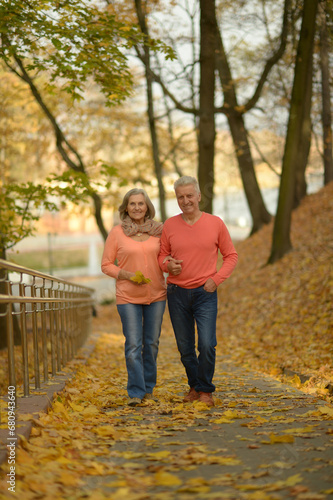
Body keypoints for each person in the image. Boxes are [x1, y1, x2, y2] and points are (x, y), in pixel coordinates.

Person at [158, 176, 238, 407]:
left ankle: (205, 390)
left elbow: (231, 256)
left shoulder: (215, 223)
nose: (185, 201)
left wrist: (217, 279)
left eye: (189, 196)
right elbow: (162, 256)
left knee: (206, 343)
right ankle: (194, 386)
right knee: (185, 347)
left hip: (205, 292)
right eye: (180, 197)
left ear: (199, 196)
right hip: (176, 293)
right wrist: (167, 265)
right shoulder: (170, 225)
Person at [101, 188, 166, 407]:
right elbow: (106, 265)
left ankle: (148, 390)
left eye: (141, 203)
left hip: (156, 295)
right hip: (128, 296)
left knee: (152, 343)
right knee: (133, 346)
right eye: (132, 204)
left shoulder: (159, 231)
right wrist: (127, 275)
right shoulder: (117, 233)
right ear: (126, 208)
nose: (137, 207)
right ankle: (136, 393)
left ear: (147, 206)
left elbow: (167, 257)